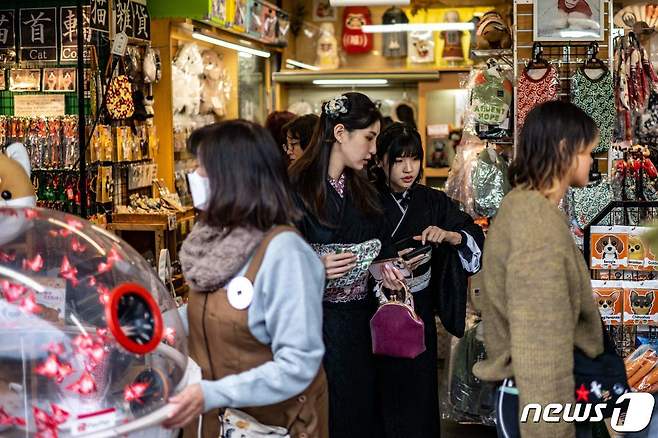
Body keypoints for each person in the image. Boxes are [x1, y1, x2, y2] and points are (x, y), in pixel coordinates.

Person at [165, 120, 328, 438]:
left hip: (273, 426)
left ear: (233, 177)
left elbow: (298, 364)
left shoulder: (284, 253)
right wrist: (156, 325)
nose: (195, 177)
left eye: (203, 168)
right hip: (215, 423)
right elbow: (211, 312)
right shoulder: (213, 243)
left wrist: (213, 393)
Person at [473, 101, 604, 438]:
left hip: (527, 395)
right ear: (565, 150)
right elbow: (540, 348)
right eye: (589, 152)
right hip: (537, 405)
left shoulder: (525, 206)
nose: (593, 160)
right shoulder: (537, 223)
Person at [289, 92, 405, 438]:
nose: (373, 150)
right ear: (340, 133)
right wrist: (314, 266)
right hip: (315, 322)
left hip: (360, 319)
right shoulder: (295, 185)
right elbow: (275, 253)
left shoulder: (363, 186)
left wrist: (385, 270)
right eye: (368, 138)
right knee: (323, 412)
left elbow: (377, 243)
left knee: (360, 409)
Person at [373, 122, 485, 438]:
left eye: (414, 159)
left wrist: (451, 236)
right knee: (379, 396)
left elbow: (472, 233)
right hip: (375, 310)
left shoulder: (432, 202)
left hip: (418, 309)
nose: (409, 168)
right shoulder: (366, 200)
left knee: (419, 396)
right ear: (381, 160)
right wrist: (383, 266)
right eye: (398, 160)